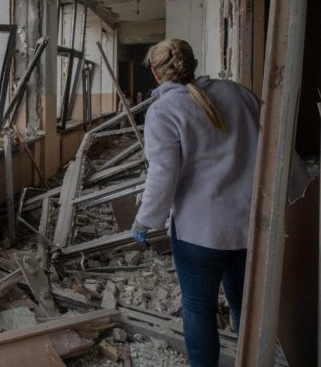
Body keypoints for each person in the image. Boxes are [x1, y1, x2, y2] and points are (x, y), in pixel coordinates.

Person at [129, 38, 309, 367]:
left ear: (156, 73)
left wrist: (145, 220)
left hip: (199, 234)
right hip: (249, 228)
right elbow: (276, 146)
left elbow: (163, 174)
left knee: (200, 312)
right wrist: (298, 195)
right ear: (193, 63)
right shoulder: (238, 93)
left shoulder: (164, 111)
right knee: (248, 312)